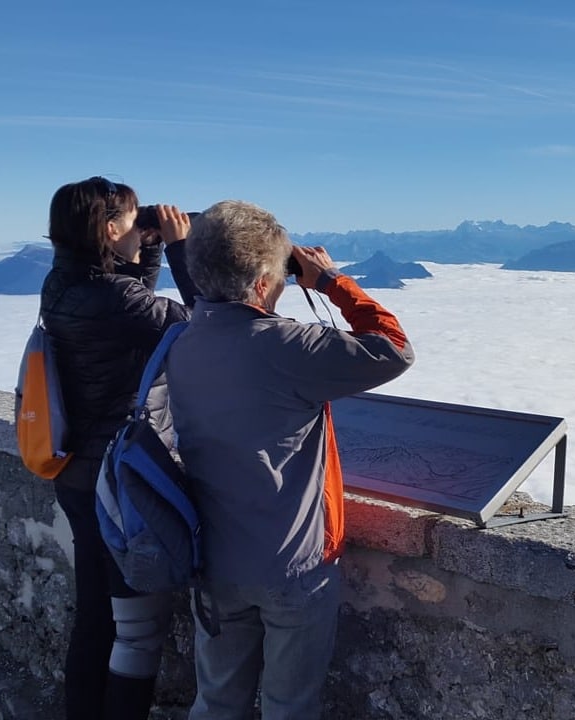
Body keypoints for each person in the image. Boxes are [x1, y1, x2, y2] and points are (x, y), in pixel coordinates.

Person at [165, 200, 415, 720]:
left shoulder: (181, 341)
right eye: (277, 275)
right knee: (289, 708)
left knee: (215, 704)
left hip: (213, 563)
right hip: (292, 568)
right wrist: (330, 282)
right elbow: (394, 349)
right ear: (260, 284)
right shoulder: (287, 346)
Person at [40, 176, 199, 719]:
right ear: (108, 231)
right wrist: (178, 248)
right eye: (132, 221)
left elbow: (133, 302)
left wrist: (145, 239)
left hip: (78, 474)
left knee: (95, 617)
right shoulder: (111, 298)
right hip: (119, 481)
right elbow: (206, 328)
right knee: (135, 630)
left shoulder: (63, 283)